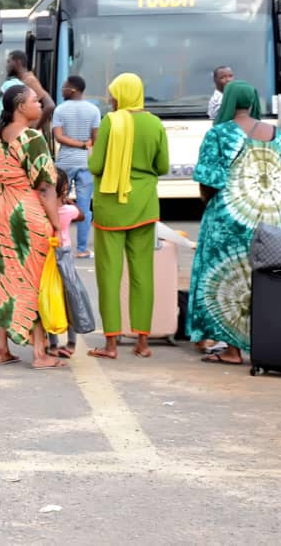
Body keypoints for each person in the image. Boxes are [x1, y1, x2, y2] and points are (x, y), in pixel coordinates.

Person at [188, 81, 281, 366]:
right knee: (265, 281)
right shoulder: (276, 134)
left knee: (228, 279)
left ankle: (232, 350)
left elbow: (208, 179)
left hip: (232, 217)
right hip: (275, 220)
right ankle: (267, 346)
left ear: (228, 102)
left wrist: (210, 204)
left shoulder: (219, 133)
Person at [0, 84, 65, 370]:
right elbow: (46, 187)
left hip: (1, 210)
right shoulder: (32, 138)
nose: (40, 105)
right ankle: (40, 354)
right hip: (27, 212)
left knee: (2, 276)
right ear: (20, 107)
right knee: (33, 278)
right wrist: (56, 225)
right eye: (35, 101)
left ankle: (2, 349)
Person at [87, 73, 169, 360]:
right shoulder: (154, 123)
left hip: (111, 207)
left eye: (114, 94)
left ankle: (111, 344)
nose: (111, 99)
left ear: (121, 95)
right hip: (144, 205)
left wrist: (91, 151)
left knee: (109, 275)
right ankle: (142, 342)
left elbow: (96, 166)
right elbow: (163, 166)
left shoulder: (111, 122)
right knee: (142, 274)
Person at [52, 75, 101, 258]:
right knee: (84, 207)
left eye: (64, 88)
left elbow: (59, 137)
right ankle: (82, 249)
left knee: (57, 202)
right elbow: (96, 139)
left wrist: (77, 144)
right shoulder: (94, 110)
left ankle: (57, 242)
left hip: (64, 163)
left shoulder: (60, 110)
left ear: (72, 90)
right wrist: (84, 145)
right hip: (85, 163)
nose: (62, 90)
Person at [47, 168, 83, 359]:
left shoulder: (44, 210)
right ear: (65, 189)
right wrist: (69, 201)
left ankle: (52, 344)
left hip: (48, 256)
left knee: (51, 298)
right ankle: (71, 343)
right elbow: (82, 216)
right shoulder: (69, 210)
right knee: (70, 298)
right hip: (65, 256)